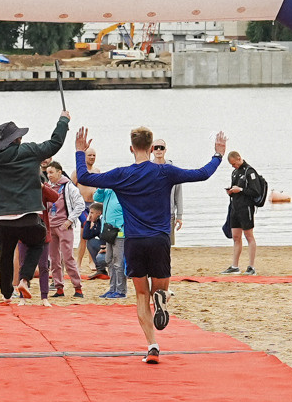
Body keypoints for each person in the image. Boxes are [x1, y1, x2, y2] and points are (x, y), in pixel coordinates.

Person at [74, 124, 227, 360]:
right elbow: (202, 173)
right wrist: (218, 154)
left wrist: (80, 152)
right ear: (151, 146)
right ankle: (162, 297)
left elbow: (84, 177)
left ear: (131, 148)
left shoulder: (121, 174)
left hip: (134, 241)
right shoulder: (165, 171)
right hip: (159, 239)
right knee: (160, 288)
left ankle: (152, 346)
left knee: (141, 295)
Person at [0, 104, 70, 303]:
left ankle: (7, 294)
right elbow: (55, 143)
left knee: (6, 255)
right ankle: (24, 279)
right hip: (28, 215)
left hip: (1, 218)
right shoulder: (30, 150)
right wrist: (63, 120)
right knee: (37, 243)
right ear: (17, 139)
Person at [42, 161, 84, 297]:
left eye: (51, 172)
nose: (49, 175)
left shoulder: (69, 186)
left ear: (59, 172)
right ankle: (59, 288)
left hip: (64, 226)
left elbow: (80, 204)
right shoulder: (48, 187)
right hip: (51, 226)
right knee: (54, 259)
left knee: (67, 258)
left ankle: (78, 288)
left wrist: (69, 220)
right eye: (47, 173)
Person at [222, 148, 267, 273]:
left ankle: (251, 266)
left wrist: (240, 190)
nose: (233, 166)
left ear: (239, 158)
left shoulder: (249, 171)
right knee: (236, 237)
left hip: (246, 208)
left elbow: (255, 191)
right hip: (235, 207)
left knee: (249, 235)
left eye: (234, 163)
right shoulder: (235, 172)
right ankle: (235, 266)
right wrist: (231, 191)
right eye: (231, 165)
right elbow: (235, 189)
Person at [95, 181, 126, 299]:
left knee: (118, 262)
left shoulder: (123, 192)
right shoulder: (107, 191)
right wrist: (101, 186)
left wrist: (121, 226)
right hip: (108, 232)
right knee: (109, 260)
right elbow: (96, 198)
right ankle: (112, 288)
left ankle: (121, 290)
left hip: (120, 232)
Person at [149, 142, 185, 236]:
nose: (158, 150)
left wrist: (179, 216)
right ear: (152, 150)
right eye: (156, 147)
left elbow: (178, 194)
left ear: (165, 150)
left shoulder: (173, 170)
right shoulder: (147, 169)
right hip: (151, 215)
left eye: (161, 148)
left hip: (169, 215)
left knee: (168, 242)